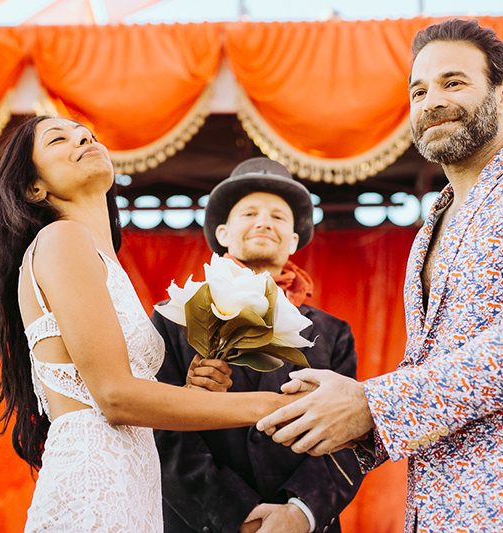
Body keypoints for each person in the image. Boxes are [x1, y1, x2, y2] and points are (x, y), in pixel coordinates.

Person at [256, 19, 503, 531]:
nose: (431, 100)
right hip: (436, 510)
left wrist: (371, 403)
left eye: (453, 82)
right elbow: (434, 372)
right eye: (418, 90)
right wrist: (338, 421)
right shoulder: (432, 226)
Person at [0, 117, 302, 532]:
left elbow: (119, 397)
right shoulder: (62, 239)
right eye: (60, 138)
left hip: (133, 485)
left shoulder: (103, 260)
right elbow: (113, 396)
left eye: (89, 135)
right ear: (34, 187)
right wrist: (273, 406)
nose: (83, 138)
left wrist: (190, 395)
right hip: (94, 489)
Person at [152, 158, 364, 533]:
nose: (264, 222)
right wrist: (237, 517)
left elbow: (347, 436)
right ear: (223, 233)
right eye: (249, 213)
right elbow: (160, 432)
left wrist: (300, 511)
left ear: (294, 240)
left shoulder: (333, 332)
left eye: (279, 217)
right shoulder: (175, 318)